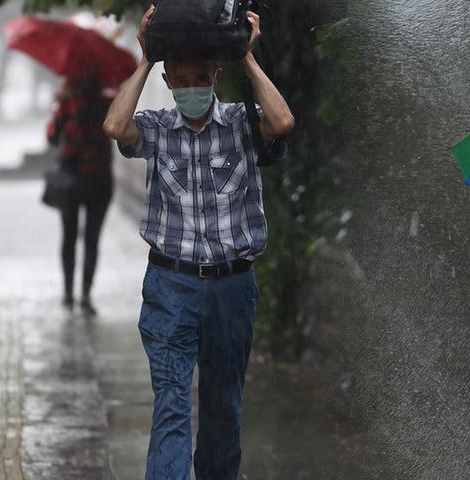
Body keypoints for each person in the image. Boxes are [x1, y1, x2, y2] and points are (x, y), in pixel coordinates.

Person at [102, 6, 294, 478]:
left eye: (199, 78)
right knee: (171, 407)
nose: (191, 88)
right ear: (168, 83)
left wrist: (245, 56)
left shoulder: (242, 126)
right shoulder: (156, 130)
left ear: (214, 76)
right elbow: (114, 127)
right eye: (180, 79)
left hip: (232, 291)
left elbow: (283, 122)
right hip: (171, 288)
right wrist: (147, 58)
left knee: (223, 411)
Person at [47, 75, 113, 315]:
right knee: (90, 239)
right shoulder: (107, 102)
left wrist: (61, 102)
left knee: (71, 237)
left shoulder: (68, 103)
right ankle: (82, 295)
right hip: (96, 179)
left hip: (76, 179)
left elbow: (52, 136)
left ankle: (70, 295)